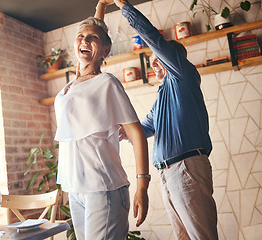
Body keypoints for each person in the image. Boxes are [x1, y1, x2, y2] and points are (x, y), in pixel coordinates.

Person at [95, 1, 218, 239]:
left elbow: (153, 38)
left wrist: (123, 4)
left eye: (157, 57)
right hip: (168, 174)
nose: (153, 62)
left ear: (171, 59)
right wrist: (122, 131)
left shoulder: (182, 75)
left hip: (187, 168)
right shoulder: (163, 94)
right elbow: (146, 127)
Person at [54, 15, 150, 240]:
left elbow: (136, 134)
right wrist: (101, 7)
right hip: (76, 191)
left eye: (92, 38)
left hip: (104, 189)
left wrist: (142, 186)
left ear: (106, 51)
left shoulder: (106, 83)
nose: (85, 40)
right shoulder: (70, 85)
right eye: (80, 37)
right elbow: (92, 31)